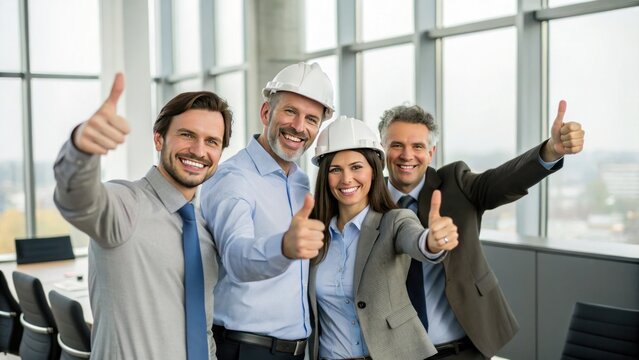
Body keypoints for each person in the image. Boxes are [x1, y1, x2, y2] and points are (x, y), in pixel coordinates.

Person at [377, 102, 585, 359]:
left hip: (461, 349)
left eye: (418, 146)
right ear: (382, 150)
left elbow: (503, 180)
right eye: (396, 145)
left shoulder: (456, 183)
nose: (407, 155)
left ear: (431, 152)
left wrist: (550, 151)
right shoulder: (367, 203)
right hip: (394, 353)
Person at [53, 73, 233, 359]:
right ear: (159, 139)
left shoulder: (204, 231)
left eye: (212, 141)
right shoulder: (125, 206)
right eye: (187, 135)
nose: (199, 151)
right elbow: (78, 199)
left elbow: (202, 328)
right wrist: (81, 150)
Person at [200, 62, 334, 360]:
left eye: (311, 119)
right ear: (266, 113)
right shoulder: (233, 179)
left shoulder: (301, 182)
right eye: (290, 111)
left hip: (297, 352)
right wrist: (283, 247)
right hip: (247, 349)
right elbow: (236, 257)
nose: (299, 127)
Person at [307, 116, 459, 360]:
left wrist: (433, 242)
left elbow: (417, 241)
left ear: (374, 171)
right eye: (336, 169)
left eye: (356, 167)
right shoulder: (315, 234)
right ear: (325, 176)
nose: (346, 179)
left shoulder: (395, 221)